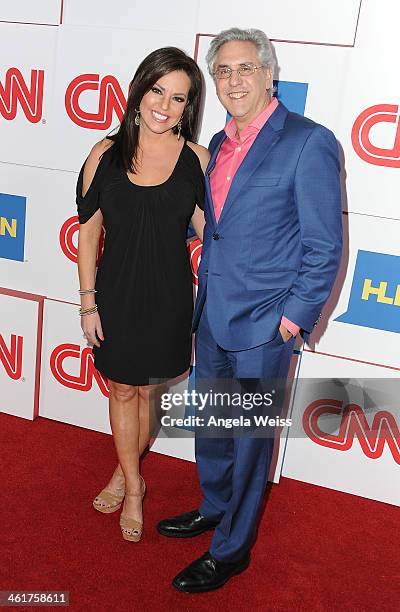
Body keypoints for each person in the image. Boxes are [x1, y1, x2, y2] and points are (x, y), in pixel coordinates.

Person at [157, 28, 343, 591]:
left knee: (250, 442)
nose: (233, 81)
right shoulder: (218, 141)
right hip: (213, 313)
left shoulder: (309, 141)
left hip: (266, 326)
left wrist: (293, 318)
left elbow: (325, 245)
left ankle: (232, 549)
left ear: (268, 74)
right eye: (223, 72)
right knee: (213, 427)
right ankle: (214, 508)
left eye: (244, 69)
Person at [76, 47, 209, 543]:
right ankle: (135, 487)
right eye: (158, 91)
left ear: (187, 108)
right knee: (121, 389)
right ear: (140, 90)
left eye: (179, 98)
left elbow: (209, 229)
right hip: (116, 294)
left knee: (149, 390)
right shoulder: (103, 154)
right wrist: (88, 301)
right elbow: (88, 234)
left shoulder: (197, 159)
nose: (165, 106)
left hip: (170, 296)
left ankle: (122, 471)